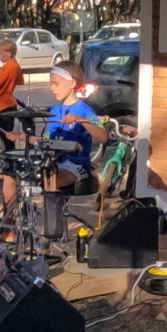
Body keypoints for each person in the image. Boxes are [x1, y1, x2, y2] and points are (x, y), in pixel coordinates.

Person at [40, 65, 103, 241]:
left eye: (56, 84)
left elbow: (103, 137)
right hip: (55, 161)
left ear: (72, 83)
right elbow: (47, 140)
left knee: (54, 180)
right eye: (51, 84)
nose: (52, 88)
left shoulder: (84, 109)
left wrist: (81, 121)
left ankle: (51, 230)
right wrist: (23, 137)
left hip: (77, 164)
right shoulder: (53, 111)